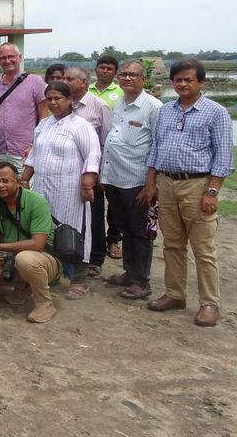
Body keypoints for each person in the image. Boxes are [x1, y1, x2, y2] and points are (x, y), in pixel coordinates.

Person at [143, 59, 233, 327]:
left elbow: (223, 155)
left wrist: (212, 192)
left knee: (203, 248)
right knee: (172, 244)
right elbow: (156, 148)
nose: (182, 84)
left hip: (197, 184)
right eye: (178, 80)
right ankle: (175, 294)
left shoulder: (215, 112)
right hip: (167, 183)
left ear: (200, 82)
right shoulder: (165, 111)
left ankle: (209, 303)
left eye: (188, 80)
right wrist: (151, 182)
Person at [21, 81, 100, 300]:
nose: (53, 103)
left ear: (70, 100)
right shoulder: (44, 124)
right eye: (49, 99)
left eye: (58, 98)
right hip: (43, 188)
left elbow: (93, 155)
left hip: (70, 191)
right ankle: (52, 271)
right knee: (46, 229)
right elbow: (34, 154)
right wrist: (24, 179)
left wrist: (87, 184)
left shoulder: (81, 125)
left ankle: (79, 279)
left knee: (74, 231)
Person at [0, 162, 61, 323]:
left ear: (18, 181)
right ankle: (23, 286)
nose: (1, 185)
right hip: (11, 258)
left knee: (25, 259)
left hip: (43, 259)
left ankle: (45, 303)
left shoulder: (36, 202)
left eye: (5, 181)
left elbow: (38, 244)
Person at [100, 61, 162, 299]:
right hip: (115, 178)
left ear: (143, 79)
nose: (127, 78)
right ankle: (130, 272)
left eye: (133, 75)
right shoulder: (119, 104)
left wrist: (151, 183)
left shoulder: (153, 107)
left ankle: (141, 281)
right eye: (124, 74)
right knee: (124, 228)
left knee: (140, 231)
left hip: (138, 181)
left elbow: (158, 146)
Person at [65, 66, 113, 273]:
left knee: (93, 216)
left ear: (83, 82)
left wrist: (99, 173)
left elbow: (107, 141)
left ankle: (95, 258)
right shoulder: (64, 104)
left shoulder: (99, 105)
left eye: (70, 79)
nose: (65, 82)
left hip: (91, 172)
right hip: (67, 171)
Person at [0, 42, 48, 171]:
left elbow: (44, 118)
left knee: (23, 183)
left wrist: (34, 145)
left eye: (11, 56)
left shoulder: (35, 81)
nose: (7, 61)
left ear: (20, 57)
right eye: (3, 58)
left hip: (24, 151)